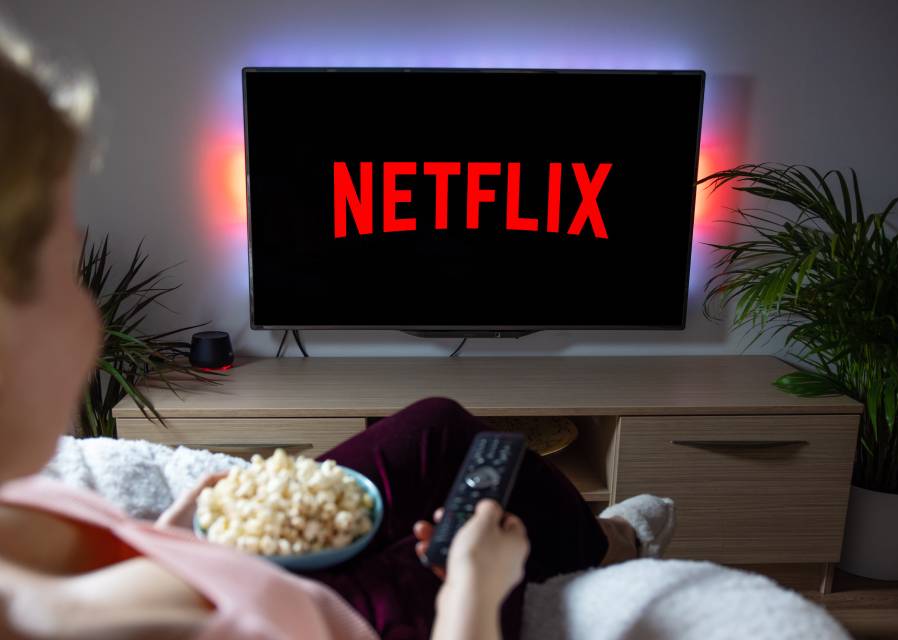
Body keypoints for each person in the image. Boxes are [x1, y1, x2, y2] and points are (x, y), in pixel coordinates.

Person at [0, 27, 648, 640]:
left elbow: (130, 586)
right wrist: (474, 591)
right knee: (447, 540)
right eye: (65, 266)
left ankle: (603, 541)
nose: (93, 310)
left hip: (229, 571)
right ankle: (612, 547)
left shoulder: (22, 512)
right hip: (318, 615)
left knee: (438, 428)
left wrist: (182, 534)